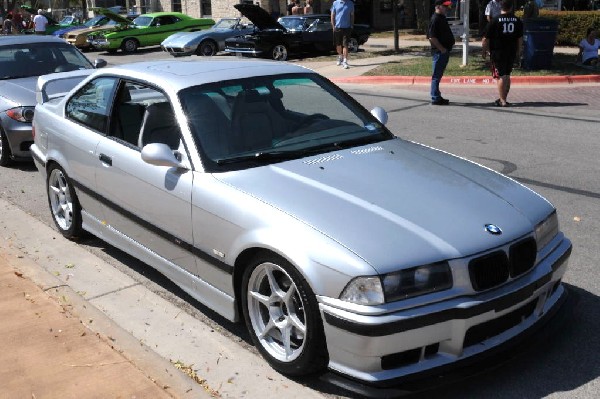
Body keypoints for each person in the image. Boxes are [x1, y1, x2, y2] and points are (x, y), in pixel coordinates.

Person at [482, 0, 523, 107]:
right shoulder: (517, 20)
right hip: (511, 51)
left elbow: (485, 39)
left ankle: (502, 100)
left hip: (498, 52)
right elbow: (520, 39)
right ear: (511, 7)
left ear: (501, 7)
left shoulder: (494, 20)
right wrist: (519, 51)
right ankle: (504, 97)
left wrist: (484, 51)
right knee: (507, 75)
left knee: (501, 76)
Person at [427, 0, 455, 105]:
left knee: (438, 75)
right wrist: (442, 49)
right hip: (439, 52)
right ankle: (435, 97)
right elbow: (431, 37)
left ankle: (437, 95)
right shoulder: (435, 19)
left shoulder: (441, 18)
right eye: (445, 6)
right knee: (436, 76)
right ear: (438, 6)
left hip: (444, 51)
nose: (447, 8)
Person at [330, 0, 354, 69]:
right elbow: (332, 15)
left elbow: (352, 15)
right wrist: (333, 26)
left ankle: (345, 61)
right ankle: (340, 56)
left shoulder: (350, 3)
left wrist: (351, 25)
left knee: (345, 44)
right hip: (337, 28)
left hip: (347, 28)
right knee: (338, 45)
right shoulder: (335, 3)